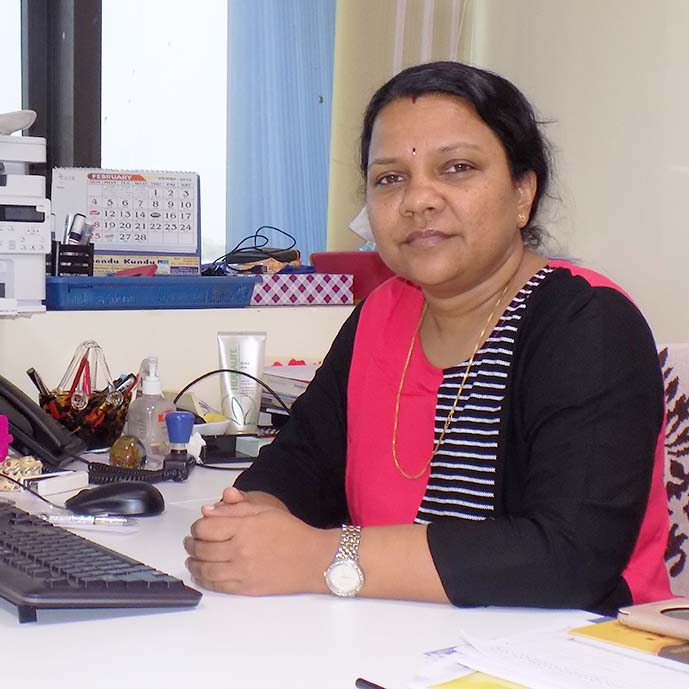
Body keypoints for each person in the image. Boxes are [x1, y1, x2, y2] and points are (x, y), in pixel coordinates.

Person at [184, 61, 671, 613]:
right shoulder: (380, 315)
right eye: (390, 178)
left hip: (576, 643)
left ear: (522, 193)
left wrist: (317, 556)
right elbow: (299, 465)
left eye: (457, 168)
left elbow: (568, 558)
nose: (418, 199)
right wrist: (245, 525)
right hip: (399, 638)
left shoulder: (588, 322)